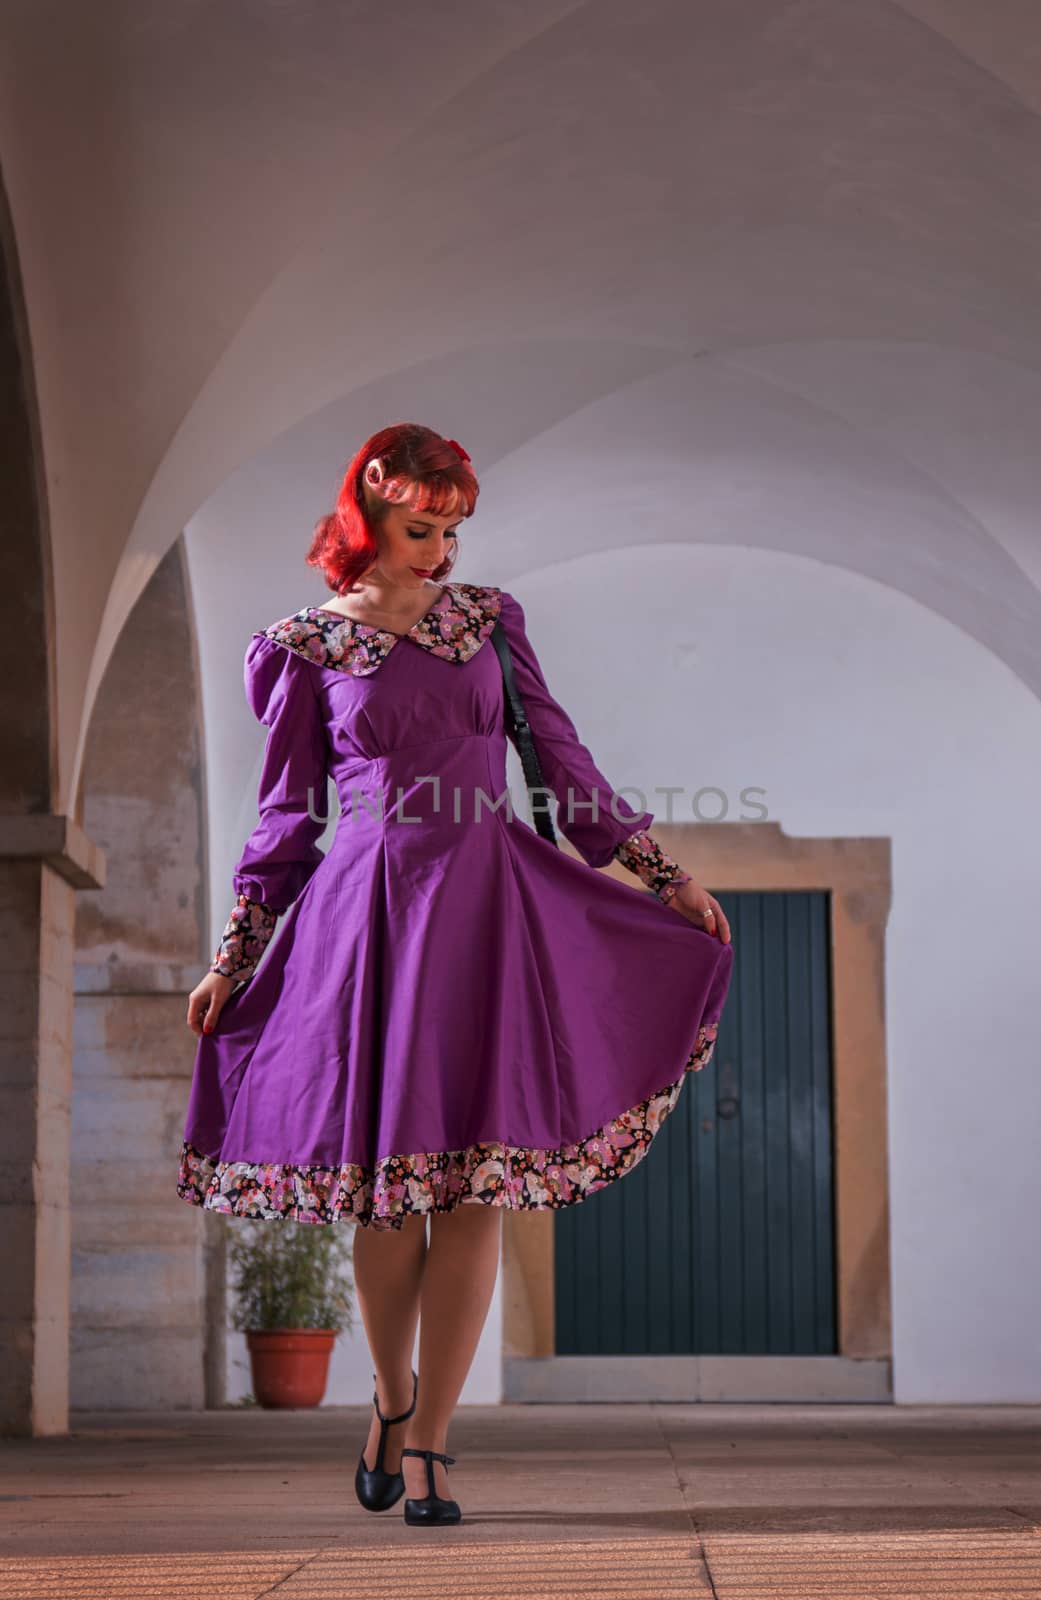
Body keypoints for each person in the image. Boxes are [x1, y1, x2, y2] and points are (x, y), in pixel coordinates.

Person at [179, 422, 734, 1525]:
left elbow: (558, 762)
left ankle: (430, 1444)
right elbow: (288, 814)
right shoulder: (302, 648)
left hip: (489, 905)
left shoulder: (488, 622)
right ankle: (390, 1399)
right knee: (392, 1200)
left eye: (452, 530)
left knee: (480, 1188)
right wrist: (233, 949)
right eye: (418, 528)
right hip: (370, 917)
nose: (439, 552)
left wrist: (658, 872)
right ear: (366, 516)